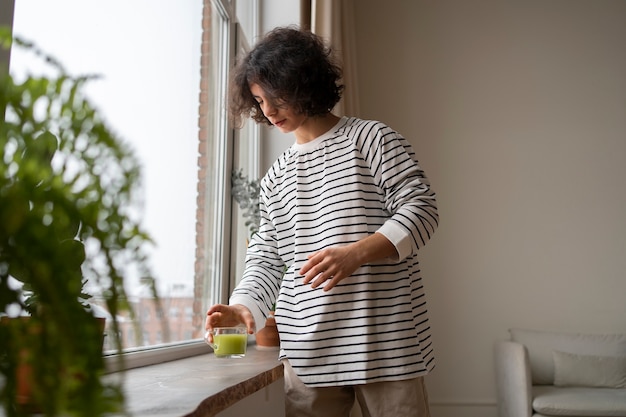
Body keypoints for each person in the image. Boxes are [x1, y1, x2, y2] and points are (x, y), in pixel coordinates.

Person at [205, 26, 438, 417]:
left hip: (385, 343)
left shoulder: (372, 140)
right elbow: (266, 256)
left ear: (304, 83)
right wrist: (244, 306)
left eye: (276, 97)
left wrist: (356, 254)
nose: (268, 110)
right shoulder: (276, 176)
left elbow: (422, 209)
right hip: (309, 355)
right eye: (260, 100)